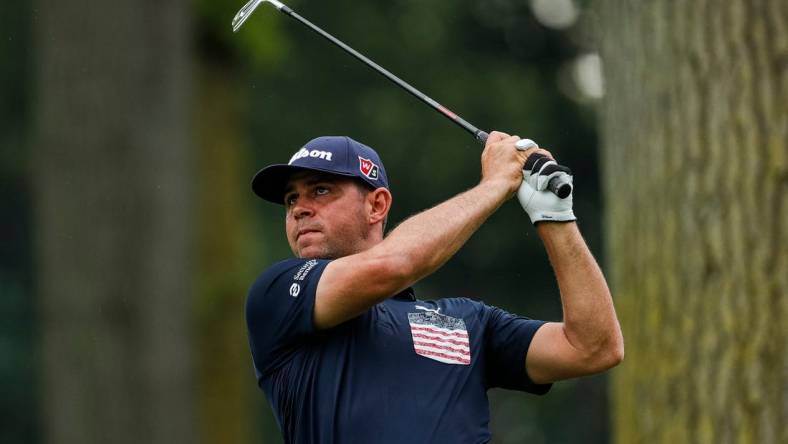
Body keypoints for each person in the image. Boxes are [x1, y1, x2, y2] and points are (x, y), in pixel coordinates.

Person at [246, 132, 624, 443]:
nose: (299, 208)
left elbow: (594, 347)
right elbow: (395, 265)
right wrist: (494, 185)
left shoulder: (467, 319)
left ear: (376, 205)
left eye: (321, 190)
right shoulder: (279, 293)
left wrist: (555, 217)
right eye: (291, 198)